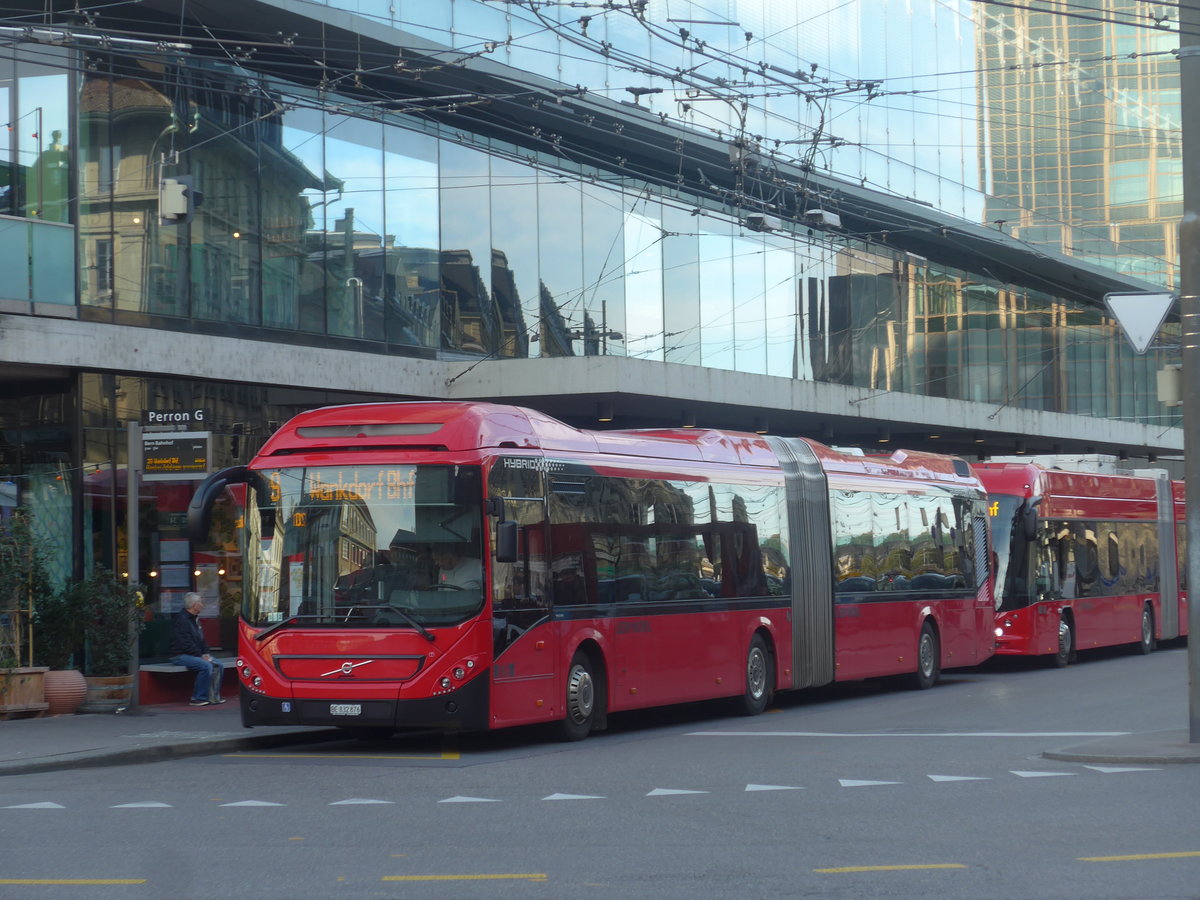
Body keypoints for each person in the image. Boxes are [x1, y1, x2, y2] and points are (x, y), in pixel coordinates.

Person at [169, 592, 226, 706]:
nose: (202, 605)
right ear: (194, 605)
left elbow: (202, 640)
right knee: (206, 666)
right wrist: (200, 655)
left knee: (219, 664)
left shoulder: (195, 619)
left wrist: (206, 653)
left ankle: (213, 696)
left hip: (195, 654)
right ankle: (198, 697)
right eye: (200, 602)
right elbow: (185, 643)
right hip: (180, 655)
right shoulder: (181, 620)